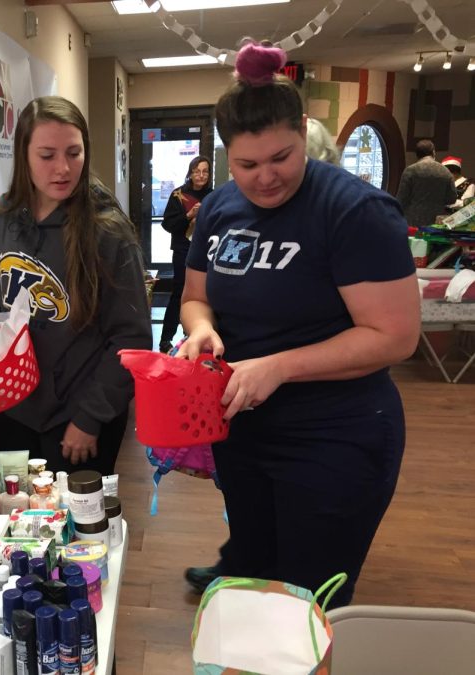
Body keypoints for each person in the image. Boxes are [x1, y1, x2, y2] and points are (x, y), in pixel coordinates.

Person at [177, 42, 420, 608]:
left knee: (309, 600)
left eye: (281, 158)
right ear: (226, 156)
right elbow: (194, 298)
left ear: (305, 131)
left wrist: (281, 367)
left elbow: (395, 337)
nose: (264, 178)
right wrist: (202, 329)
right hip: (243, 429)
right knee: (253, 573)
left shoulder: (354, 211)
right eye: (246, 165)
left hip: (336, 435)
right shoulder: (217, 209)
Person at [0, 96, 152, 476]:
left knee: (81, 529)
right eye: (47, 155)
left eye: (74, 153)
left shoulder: (108, 230)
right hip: (12, 405)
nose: (63, 168)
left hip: (79, 418)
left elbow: (131, 339)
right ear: (23, 155)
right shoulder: (1, 219)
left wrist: (90, 418)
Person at [158, 155, 212, 353]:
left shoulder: (214, 196)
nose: (201, 175)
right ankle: (166, 339)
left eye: (205, 171)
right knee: (179, 293)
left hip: (205, 251)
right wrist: (189, 215)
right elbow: (168, 225)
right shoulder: (177, 195)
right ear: (190, 173)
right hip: (182, 250)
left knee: (203, 296)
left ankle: (194, 335)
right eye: (197, 171)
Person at [396, 139, 457, 228]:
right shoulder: (445, 171)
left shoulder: (410, 170)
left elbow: (401, 199)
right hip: (437, 222)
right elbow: (452, 198)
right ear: (433, 152)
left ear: (417, 154)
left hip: (413, 221)